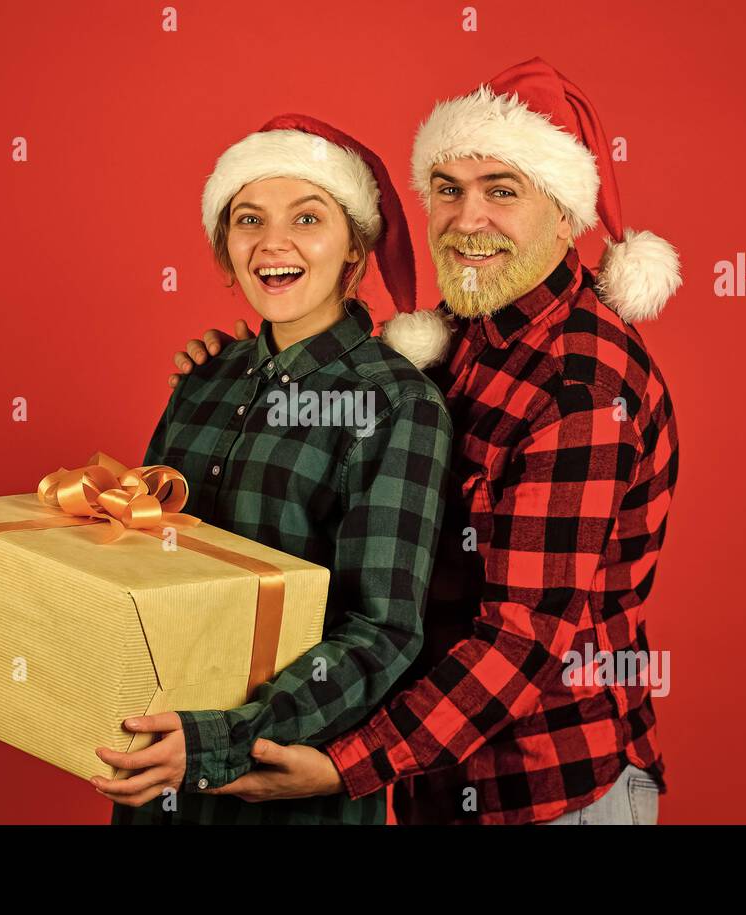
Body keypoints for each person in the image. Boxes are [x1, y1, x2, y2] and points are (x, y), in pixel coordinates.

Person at [0, 114, 455, 826]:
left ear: (354, 250)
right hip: (157, 791)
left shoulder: (396, 403)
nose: (273, 242)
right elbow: (136, 570)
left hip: (283, 795)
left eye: (307, 217)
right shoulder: (205, 378)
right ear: (226, 249)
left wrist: (218, 740)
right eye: (249, 219)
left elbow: (382, 631)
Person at [167, 56, 683, 825]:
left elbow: (519, 643)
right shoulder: (463, 332)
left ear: (568, 213)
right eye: (448, 190)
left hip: (550, 784)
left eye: (501, 191)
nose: (466, 219)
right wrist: (253, 376)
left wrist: (342, 765)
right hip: (432, 769)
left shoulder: (583, 389)